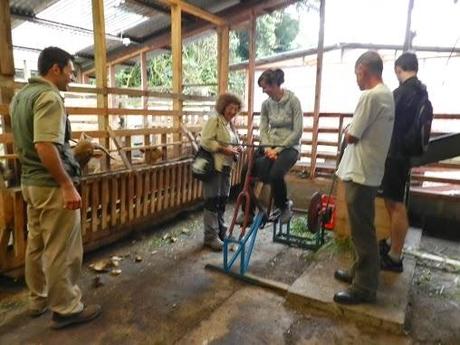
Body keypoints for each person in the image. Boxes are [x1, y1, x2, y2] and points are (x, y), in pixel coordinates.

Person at [10, 47, 101, 328]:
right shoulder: (49, 97)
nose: (71, 78)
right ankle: (66, 308)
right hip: (50, 185)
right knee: (62, 248)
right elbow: (44, 145)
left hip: (30, 183)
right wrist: (66, 184)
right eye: (71, 72)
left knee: (36, 245)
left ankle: (38, 300)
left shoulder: (21, 97)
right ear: (56, 69)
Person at [334, 51, 395, 305]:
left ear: (363, 69)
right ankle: (360, 272)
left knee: (362, 231)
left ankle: (364, 288)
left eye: (356, 73)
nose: (356, 79)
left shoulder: (370, 96)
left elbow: (352, 135)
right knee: (362, 227)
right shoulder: (387, 94)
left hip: (360, 172)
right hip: (368, 170)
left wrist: (347, 129)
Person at [379, 52, 428, 273]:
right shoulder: (421, 91)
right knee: (394, 201)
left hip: (395, 153)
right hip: (405, 154)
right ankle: (392, 242)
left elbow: (387, 122)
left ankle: (395, 256)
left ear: (399, 68)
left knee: (395, 204)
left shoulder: (402, 92)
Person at [237, 68, 303, 224]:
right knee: (247, 170)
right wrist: (267, 148)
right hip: (269, 145)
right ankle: (248, 212)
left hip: (289, 147)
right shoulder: (266, 104)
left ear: (275, 85)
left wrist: (278, 150)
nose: (263, 90)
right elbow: (263, 128)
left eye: (265, 87)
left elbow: (297, 131)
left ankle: (283, 206)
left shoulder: (293, 101)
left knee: (275, 174)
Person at [199, 93, 242, 251]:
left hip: (226, 167)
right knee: (212, 201)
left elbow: (233, 142)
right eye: (231, 108)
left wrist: (238, 147)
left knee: (222, 200)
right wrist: (224, 149)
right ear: (223, 106)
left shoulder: (230, 124)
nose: (233, 112)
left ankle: (221, 232)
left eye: (236, 109)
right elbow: (205, 141)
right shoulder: (214, 120)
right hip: (214, 166)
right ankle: (210, 237)